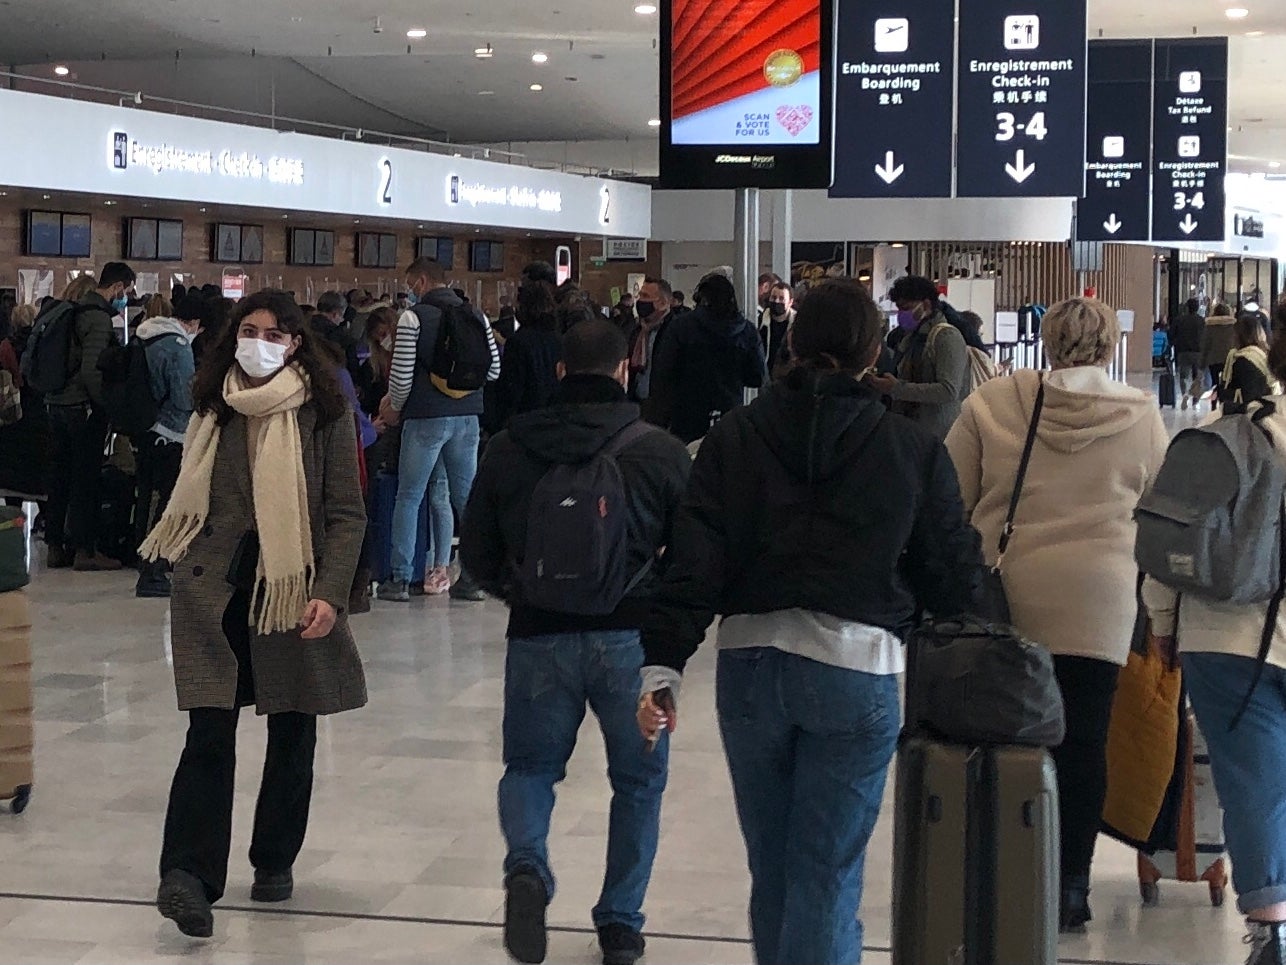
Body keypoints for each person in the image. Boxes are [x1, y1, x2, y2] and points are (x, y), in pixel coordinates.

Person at [637, 279, 983, 965]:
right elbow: (953, 572)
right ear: (874, 350)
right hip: (858, 670)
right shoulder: (909, 449)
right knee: (826, 873)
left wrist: (661, 664)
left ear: (791, 343)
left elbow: (695, 556)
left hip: (750, 667)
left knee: (775, 871)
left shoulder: (735, 437)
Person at [461, 319, 691, 965]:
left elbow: (476, 548)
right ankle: (620, 924)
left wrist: (524, 593)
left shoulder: (510, 446)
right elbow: (698, 553)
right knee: (639, 783)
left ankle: (528, 865)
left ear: (560, 372)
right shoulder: (660, 451)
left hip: (538, 636)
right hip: (633, 644)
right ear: (625, 370)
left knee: (531, 767)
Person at [140, 289, 367, 939]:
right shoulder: (214, 405)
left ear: (296, 342)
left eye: (273, 332)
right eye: (249, 329)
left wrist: (328, 589)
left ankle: (273, 859)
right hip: (217, 588)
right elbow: (194, 494)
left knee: (293, 729)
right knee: (208, 732)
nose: (259, 341)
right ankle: (187, 876)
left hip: (292, 588)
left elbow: (347, 514)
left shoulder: (324, 411)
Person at [945, 297, 1168, 933]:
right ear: (1107, 348)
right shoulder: (1142, 413)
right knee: (1084, 742)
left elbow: (950, 497)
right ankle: (1070, 887)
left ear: (1045, 343)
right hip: (1101, 598)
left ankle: (1000, 876)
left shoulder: (990, 403)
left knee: (1003, 741)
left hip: (1009, 594)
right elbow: (1156, 513)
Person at [1143, 336, 1286, 964]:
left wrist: (1163, 624)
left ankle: (1270, 929)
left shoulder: (1226, 433)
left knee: (1252, 784)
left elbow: (1171, 541)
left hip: (1225, 637)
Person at [377, 257, 499, 603]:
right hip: (468, 419)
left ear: (421, 282)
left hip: (425, 418)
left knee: (410, 495)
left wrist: (395, 408)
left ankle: (400, 579)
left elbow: (400, 377)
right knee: (463, 498)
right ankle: (471, 578)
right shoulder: (477, 316)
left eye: (410, 284)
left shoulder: (412, 318)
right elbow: (493, 371)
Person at [44, 262, 135, 572]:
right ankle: (85, 549)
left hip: (56, 403)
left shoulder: (72, 311)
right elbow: (92, 370)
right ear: (118, 287)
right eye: (126, 292)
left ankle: (55, 546)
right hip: (80, 408)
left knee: (60, 476)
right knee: (85, 479)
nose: (125, 299)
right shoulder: (97, 318)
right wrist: (106, 406)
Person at [132, 296, 204, 598]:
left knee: (148, 497)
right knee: (167, 503)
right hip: (170, 432)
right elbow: (184, 396)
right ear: (196, 324)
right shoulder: (176, 344)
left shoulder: (146, 334)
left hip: (146, 428)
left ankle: (145, 560)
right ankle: (154, 568)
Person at [648, 272, 766, 444]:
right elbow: (757, 377)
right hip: (730, 412)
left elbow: (663, 373)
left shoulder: (681, 327)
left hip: (687, 415)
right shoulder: (747, 331)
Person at [867, 275, 969, 441]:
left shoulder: (946, 336)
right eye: (899, 308)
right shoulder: (909, 337)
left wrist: (897, 388)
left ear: (926, 304)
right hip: (912, 432)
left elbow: (949, 390)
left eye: (906, 308)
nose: (901, 314)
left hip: (938, 435)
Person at [493, 280, 562, 431]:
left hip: (526, 421)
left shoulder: (518, 341)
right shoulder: (561, 338)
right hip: (555, 419)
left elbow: (511, 388)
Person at [627, 278, 674, 412]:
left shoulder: (674, 331)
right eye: (640, 295)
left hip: (663, 405)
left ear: (663, 302)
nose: (640, 301)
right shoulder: (638, 329)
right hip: (637, 400)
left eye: (646, 296)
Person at [1221, 314, 1280, 409]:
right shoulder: (1264, 354)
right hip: (1270, 405)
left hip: (1252, 414)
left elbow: (1248, 395)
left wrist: (1222, 393)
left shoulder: (1243, 361)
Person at [1171, 298, 1207, 409]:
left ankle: (1184, 395)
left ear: (1187, 307)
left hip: (1183, 351)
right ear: (1197, 308)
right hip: (1198, 352)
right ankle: (1195, 401)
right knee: (1197, 377)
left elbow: (1172, 334)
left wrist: (1175, 343)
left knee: (1183, 376)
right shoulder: (1201, 321)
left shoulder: (1179, 320)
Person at [1201, 303, 1238, 407]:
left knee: (1214, 382)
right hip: (1229, 358)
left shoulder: (1209, 326)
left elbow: (1205, 344)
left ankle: (1213, 405)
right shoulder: (1233, 325)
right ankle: (1224, 402)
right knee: (1227, 382)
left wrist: (1202, 362)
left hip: (1213, 358)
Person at [759, 282, 796, 376]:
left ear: (790, 302)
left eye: (782, 298)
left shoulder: (797, 324)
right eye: (773, 297)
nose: (776, 301)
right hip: (764, 375)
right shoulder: (759, 322)